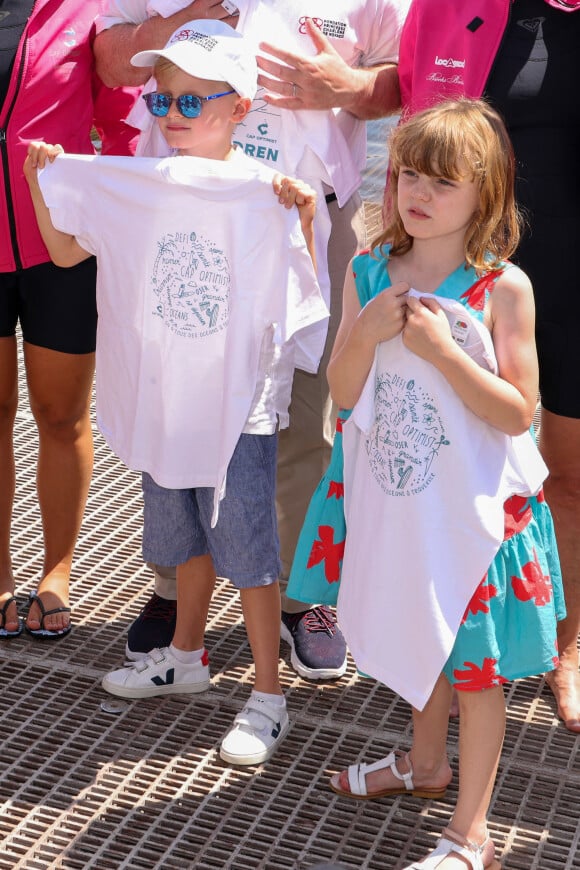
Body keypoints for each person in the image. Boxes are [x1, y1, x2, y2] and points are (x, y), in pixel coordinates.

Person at [23, 20, 328, 765]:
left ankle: (268, 695)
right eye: (163, 102)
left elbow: (306, 287)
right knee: (180, 537)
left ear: (240, 109)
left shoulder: (266, 192)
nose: (172, 116)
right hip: (164, 397)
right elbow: (64, 249)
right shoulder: (132, 180)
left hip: (237, 406)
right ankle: (186, 656)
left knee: (250, 552)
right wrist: (42, 181)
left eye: (193, 102)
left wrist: (305, 214)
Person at [91, 0, 409, 680]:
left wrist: (350, 89)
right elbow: (107, 57)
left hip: (304, 214)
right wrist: (167, 31)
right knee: (175, 405)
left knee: (300, 412)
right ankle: (175, 591)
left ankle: (301, 597)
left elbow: (408, 73)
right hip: (182, 208)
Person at [325, 99, 563, 868]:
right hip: (398, 503)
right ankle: (426, 767)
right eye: (406, 177)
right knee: (411, 636)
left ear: (484, 192)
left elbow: (519, 408)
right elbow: (341, 390)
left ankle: (472, 834)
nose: (417, 195)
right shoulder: (367, 269)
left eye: (442, 182)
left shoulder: (503, 288)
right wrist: (365, 331)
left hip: (473, 515)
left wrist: (443, 352)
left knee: (474, 672)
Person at [394, 0, 580, 734]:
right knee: (444, 469)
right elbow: (409, 120)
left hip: (568, 280)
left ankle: (568, 649)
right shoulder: (445, 7)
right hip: (462, 279)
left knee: (566, 476)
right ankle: (448, 645)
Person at [0, 0, 138, 641]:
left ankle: (57, 573)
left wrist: (114, 215)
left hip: (60, 246)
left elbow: (124, 126)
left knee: (60, 416)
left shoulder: (90, 10)